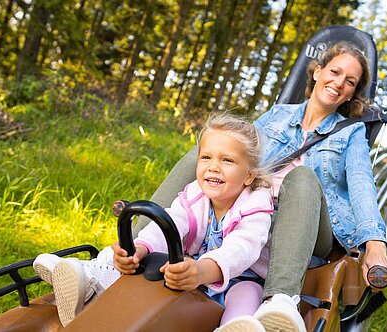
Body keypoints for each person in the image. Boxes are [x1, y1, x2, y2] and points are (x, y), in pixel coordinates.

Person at [141, 41, 387, 332]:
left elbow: (362, 184)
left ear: (353, 92)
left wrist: (375, 245)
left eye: (350, 81)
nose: (339, 83)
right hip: (251, 206)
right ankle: (132, 248)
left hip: (307, 221)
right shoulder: (277, 114)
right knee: (202, 152)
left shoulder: (351, 132)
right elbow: (238, 152)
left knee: (301, 178)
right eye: (335, 72)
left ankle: (280, 300)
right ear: (316, 72)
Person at [33, 113, 275, 330]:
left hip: (237, 277)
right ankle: (93, 282)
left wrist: (203, 270)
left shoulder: (256, 205)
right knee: (145, 262)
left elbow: (241, 249)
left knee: (248, 293)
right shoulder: (194, 195)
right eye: (206, 157)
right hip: (191, 270)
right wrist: (139, 248)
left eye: (227, 161)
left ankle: (234, 327)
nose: (214, 167)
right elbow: (168, 224)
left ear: (249, 176)